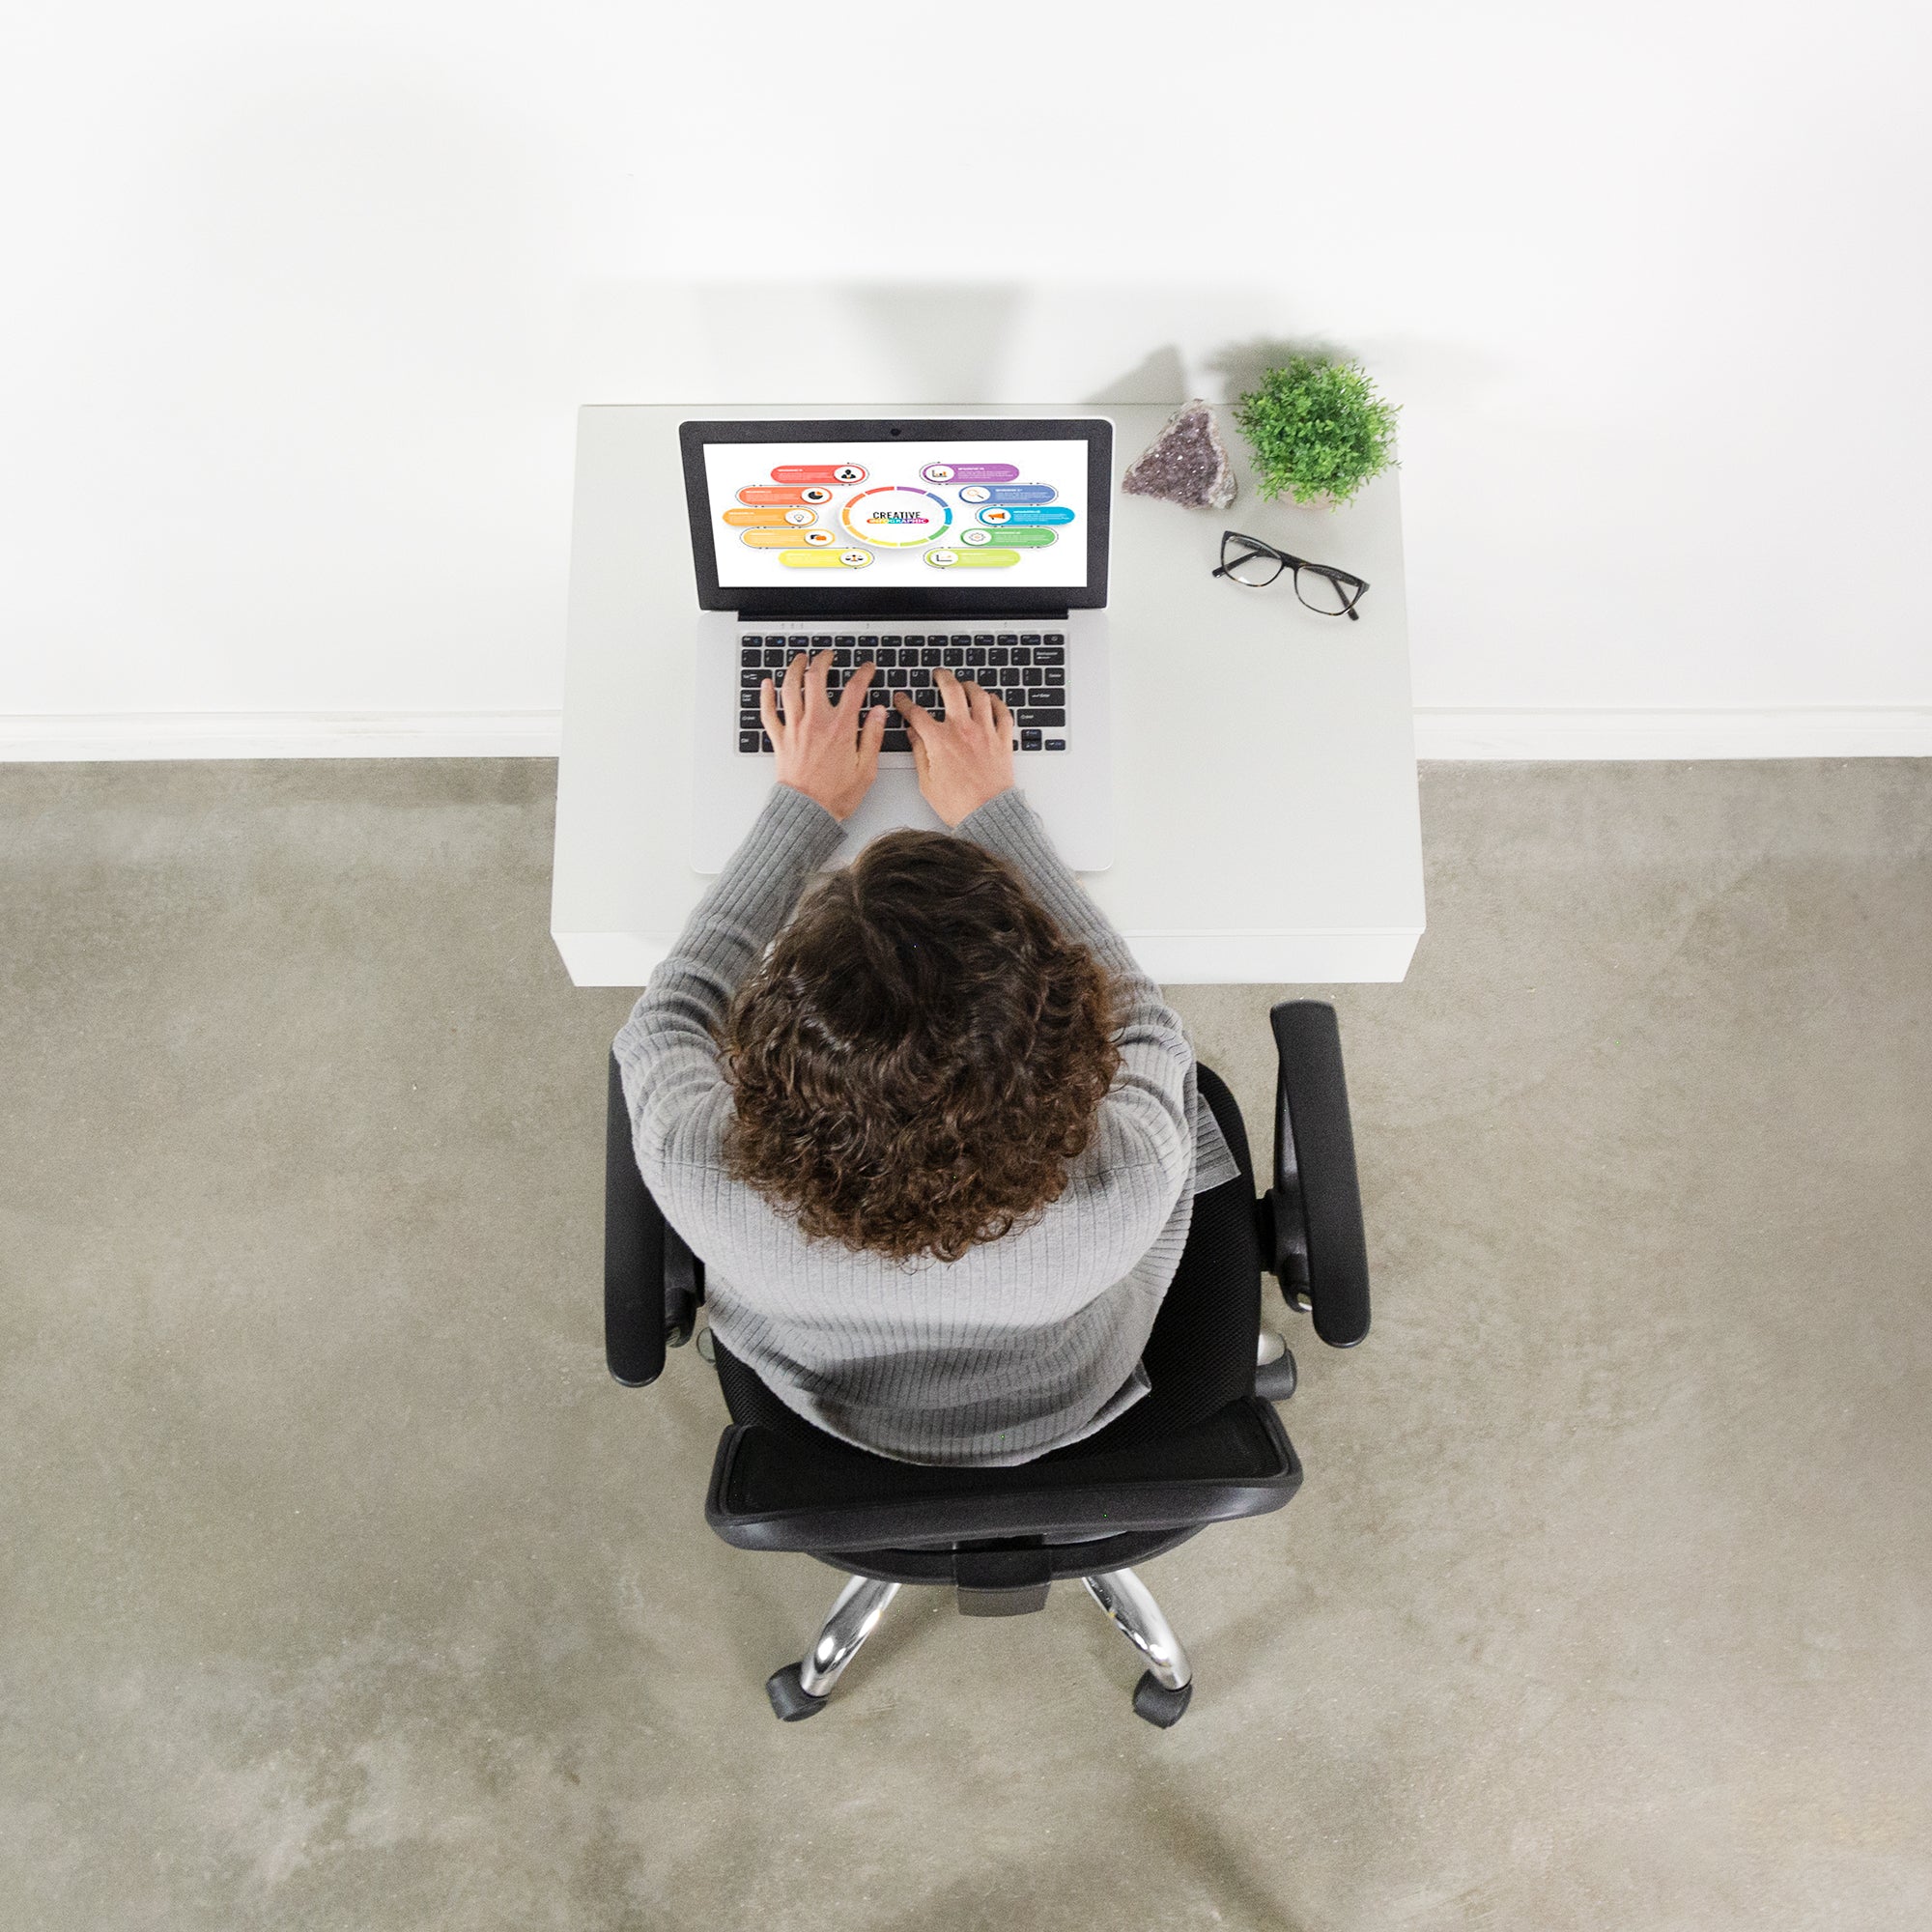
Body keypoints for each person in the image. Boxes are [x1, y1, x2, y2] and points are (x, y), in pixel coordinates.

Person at [614, 652, 1257, 1467]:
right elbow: (1145, 1020)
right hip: (1077, 1388)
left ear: (774, 1044)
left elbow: (668, 1014)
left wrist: (802, 809)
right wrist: (996, 813)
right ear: (1060, 1030)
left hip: (818, 1407)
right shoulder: (1127, 1176)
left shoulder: (700, 1167)